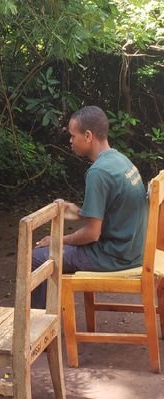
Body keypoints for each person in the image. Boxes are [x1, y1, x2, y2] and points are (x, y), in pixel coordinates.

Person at [32, 105, 148, 308]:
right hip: (134, 250)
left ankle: (36, 328)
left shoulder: (99, 172)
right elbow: (118, 208)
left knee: (37, 258)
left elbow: (92, 234)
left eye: (72, 135)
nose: (70, 141)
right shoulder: (121, 160)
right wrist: (79, 212)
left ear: (87, 136)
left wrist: (57, 240)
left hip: (115, 257)